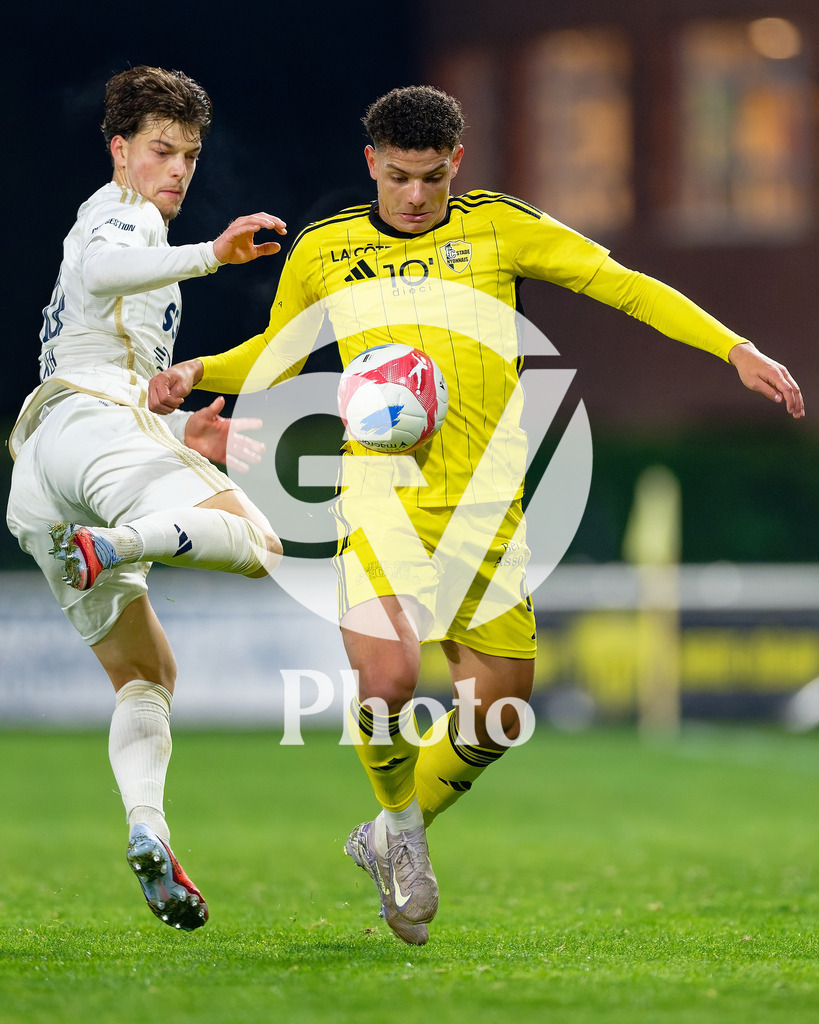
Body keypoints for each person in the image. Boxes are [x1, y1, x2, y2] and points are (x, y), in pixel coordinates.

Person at [146, 85, 805, 945]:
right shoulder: (327, 247)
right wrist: (201, 371)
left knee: (498, 713)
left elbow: (623, 286)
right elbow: (282, 348)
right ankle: (405, 836)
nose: (415, 196)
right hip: (378, 496)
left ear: (456, 162)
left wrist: (733, 346)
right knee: (387, 681)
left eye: (431, 178)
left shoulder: (499, 227)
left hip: (485, 510)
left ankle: (384, 834)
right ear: (370, 164)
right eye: (397, 178)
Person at [5, 65, 287, 932]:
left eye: (190, 155)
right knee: (261, 543)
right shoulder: (119, 213)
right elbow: (104, 266)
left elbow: (97, 334)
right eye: (161, 150)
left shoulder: (126, 227)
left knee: (145, 673)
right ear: (120, 149)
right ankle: (120, 542)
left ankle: (147, 829)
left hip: (42, 470)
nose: (177, 170)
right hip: (92, 427)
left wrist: (174, 433)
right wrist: (213, 254)